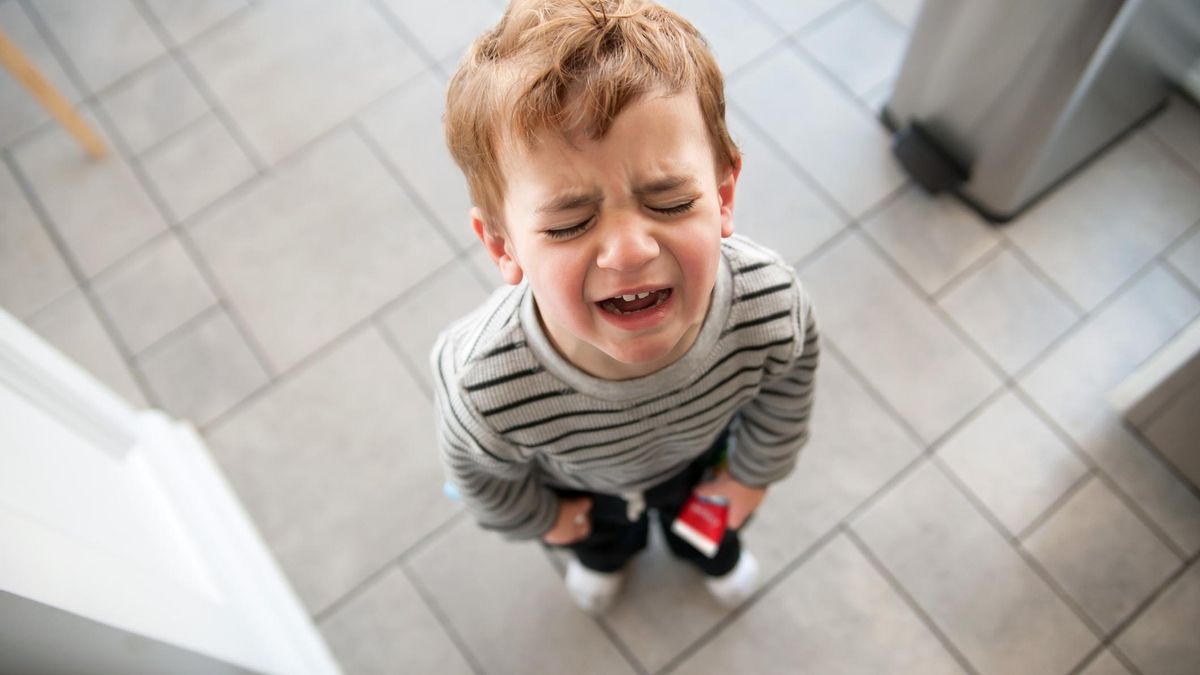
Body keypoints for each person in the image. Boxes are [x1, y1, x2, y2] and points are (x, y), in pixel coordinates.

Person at [431, 0, 819, 615]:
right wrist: (549, 519)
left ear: (721, 197)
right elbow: (483, 478)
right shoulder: (487, 383)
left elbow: (789, 388)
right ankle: (604, 555)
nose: (630, 250)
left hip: (701, 462)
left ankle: (705, 553)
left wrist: (750, 475)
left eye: (668, 202)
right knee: (602, 539)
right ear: (504, 246)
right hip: (584, 492)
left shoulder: (769, 302)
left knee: (710, 528)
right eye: (570, 223)